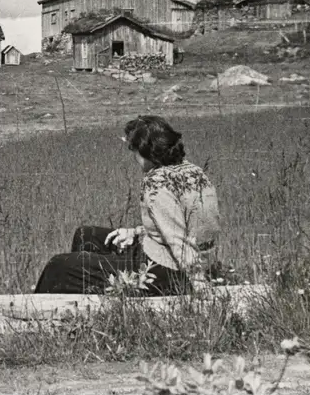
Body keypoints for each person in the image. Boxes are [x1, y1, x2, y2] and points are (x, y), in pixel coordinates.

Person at [32, 115, 220, 297]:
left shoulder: (156, 183)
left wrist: (198, 282)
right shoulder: (194, 172)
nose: (134, 157)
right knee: (86, 235)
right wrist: (137, 232)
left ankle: (41, 318)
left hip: (166, 271)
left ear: (146, 151)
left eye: (135, 151)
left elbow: (179, 238)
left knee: (58, 266)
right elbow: (188, 224)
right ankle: (91, 303)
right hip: (176, 258)